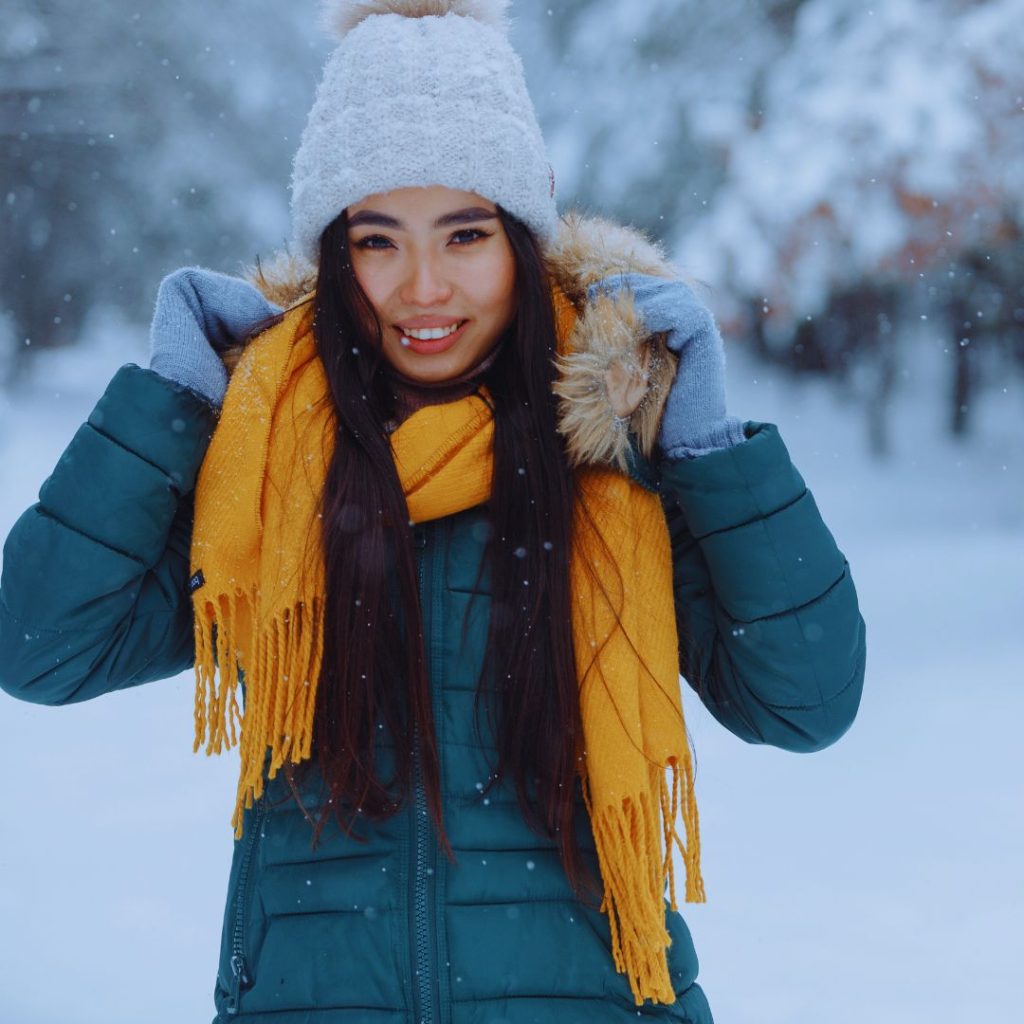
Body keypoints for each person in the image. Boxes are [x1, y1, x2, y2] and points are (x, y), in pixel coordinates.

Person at [0, 2, 867, 1022]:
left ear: (524, 241)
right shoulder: (268, 466)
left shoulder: (612, 457)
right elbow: (39, 642)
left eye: (465, 233)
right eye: (378, 239)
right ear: (334, 256)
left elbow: (804, 702)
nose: (423, 287)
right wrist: (176, 400)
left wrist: (709, 452)